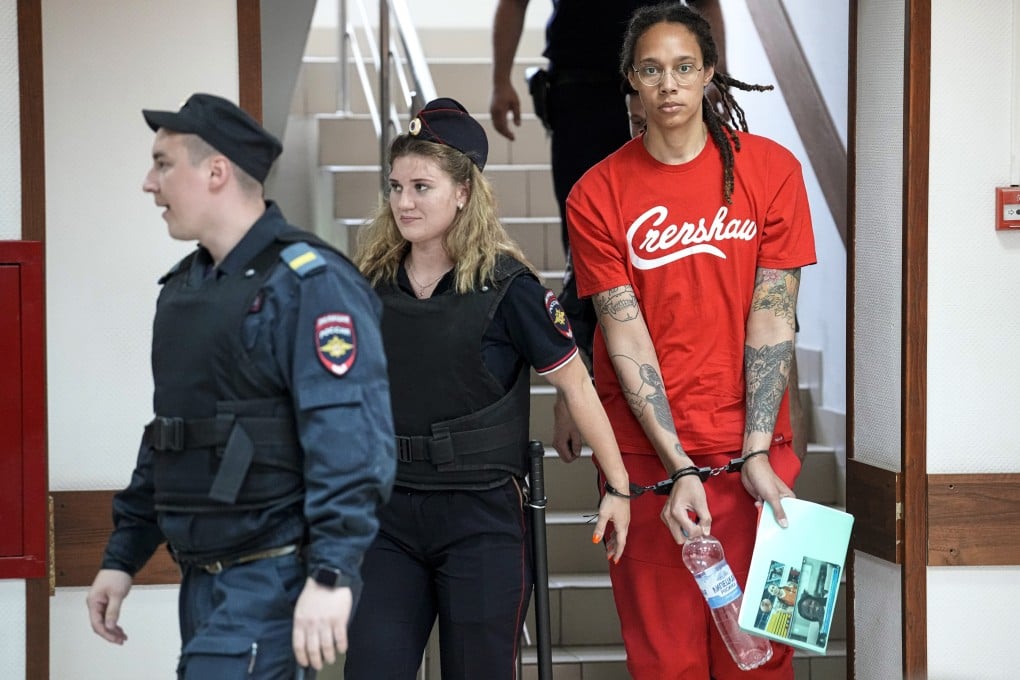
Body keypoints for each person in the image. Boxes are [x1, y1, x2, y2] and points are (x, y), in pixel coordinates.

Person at [85, 93, 396, 678]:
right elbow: (170, 436)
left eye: (162, 163)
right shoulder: (186, 289)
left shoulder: (310, 284)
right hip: (202, 582)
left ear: (216, 171)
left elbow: (349, 438)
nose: (148, 184)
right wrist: (123, 556)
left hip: (270, 578)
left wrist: (332, 572)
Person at [565, 3, 817, 679]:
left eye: (683, 67)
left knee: (764, 659)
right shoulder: (597, 194)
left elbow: (773, 316)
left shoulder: (773, 172)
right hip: (648, 467)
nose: (668, 85)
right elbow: (625, 335)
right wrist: (678, 467)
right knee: (666, 663)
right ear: (631, 81)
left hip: (760, 460)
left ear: (709, 73)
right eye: (651, 69)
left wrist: (758, 450)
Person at [343, 97, 631, 680]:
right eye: (395, 186)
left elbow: (576, 384)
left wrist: (619, 486)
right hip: (388, 511)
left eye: (421, 186)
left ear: (463, 192)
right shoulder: (368, 284)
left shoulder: (511, 287)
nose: (403, 201)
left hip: (481, 516)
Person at [490, 0, 725, 363]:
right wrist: (500, 80)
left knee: (671, 219)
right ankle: (589, 358)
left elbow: (706, 3)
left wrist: (716, 78)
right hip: (580, 92)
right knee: (587, 232)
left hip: (659, 83)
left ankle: (669, 341)